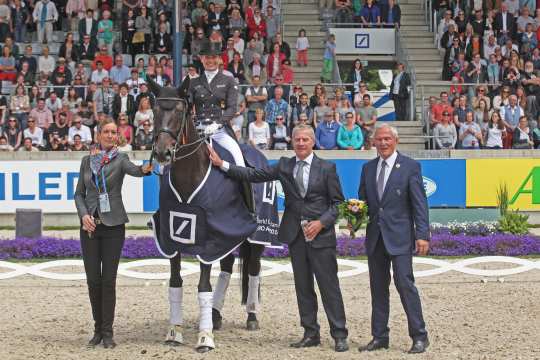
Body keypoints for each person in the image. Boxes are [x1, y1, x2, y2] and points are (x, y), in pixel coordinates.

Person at [208, 124, 349, 353]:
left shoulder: (327, 168)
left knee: (329, 287)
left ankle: (339, 334)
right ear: (292, 142)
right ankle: (310, 332)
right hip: (296, 235)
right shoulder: (284, 165)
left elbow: (337, 204)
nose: (301, 143)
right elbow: (253, 175)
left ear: (313, 142)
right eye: (297, 140)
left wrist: (321, 223)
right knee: (303, 288)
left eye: (305, 139)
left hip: (321, 236)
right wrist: (221, 164)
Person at [74, 118, 152, 348]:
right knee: (93, 281)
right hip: (90, 227)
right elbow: (79, 193)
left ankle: (107, 332)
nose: (109, 135)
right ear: (99, 136)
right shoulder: (86, 161)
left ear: (117, 136)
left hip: (113, 227)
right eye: (106, 132)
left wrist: (148, 167)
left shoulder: (121, 159)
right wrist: (83, 215)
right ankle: (97, 329)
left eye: (113, 132)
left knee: (108, 281)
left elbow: (138, 171)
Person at [358, 123, 430, 354]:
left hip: (400, 238)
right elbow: (364, 203)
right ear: (373, 142)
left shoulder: (410, 166)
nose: (383, 143)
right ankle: (380, 336)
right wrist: (354, 217)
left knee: (405, 285)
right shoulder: (367, 168)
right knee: (378, 289)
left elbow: (420, 204)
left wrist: (422, 235)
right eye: (379, 139)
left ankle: (419, 336)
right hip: (376, 238)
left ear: (396, 141)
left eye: (387, 139)